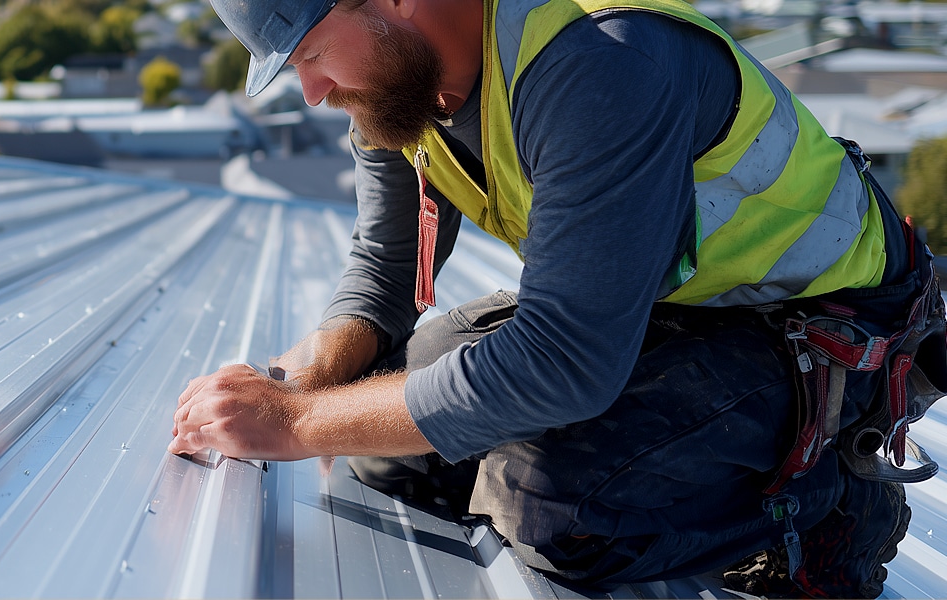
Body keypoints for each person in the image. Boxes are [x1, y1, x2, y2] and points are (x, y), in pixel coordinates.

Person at [166, 0, 947, 595]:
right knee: (384, 422)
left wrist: (294, 425)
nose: (309, 92)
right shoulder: (396, 87)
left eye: (307, 53)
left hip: (830, 332)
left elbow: (567, 362)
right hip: (675, 308)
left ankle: (831, 499)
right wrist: (308, 387)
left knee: (558, 504)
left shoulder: (600, 61)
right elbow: (385, 271)